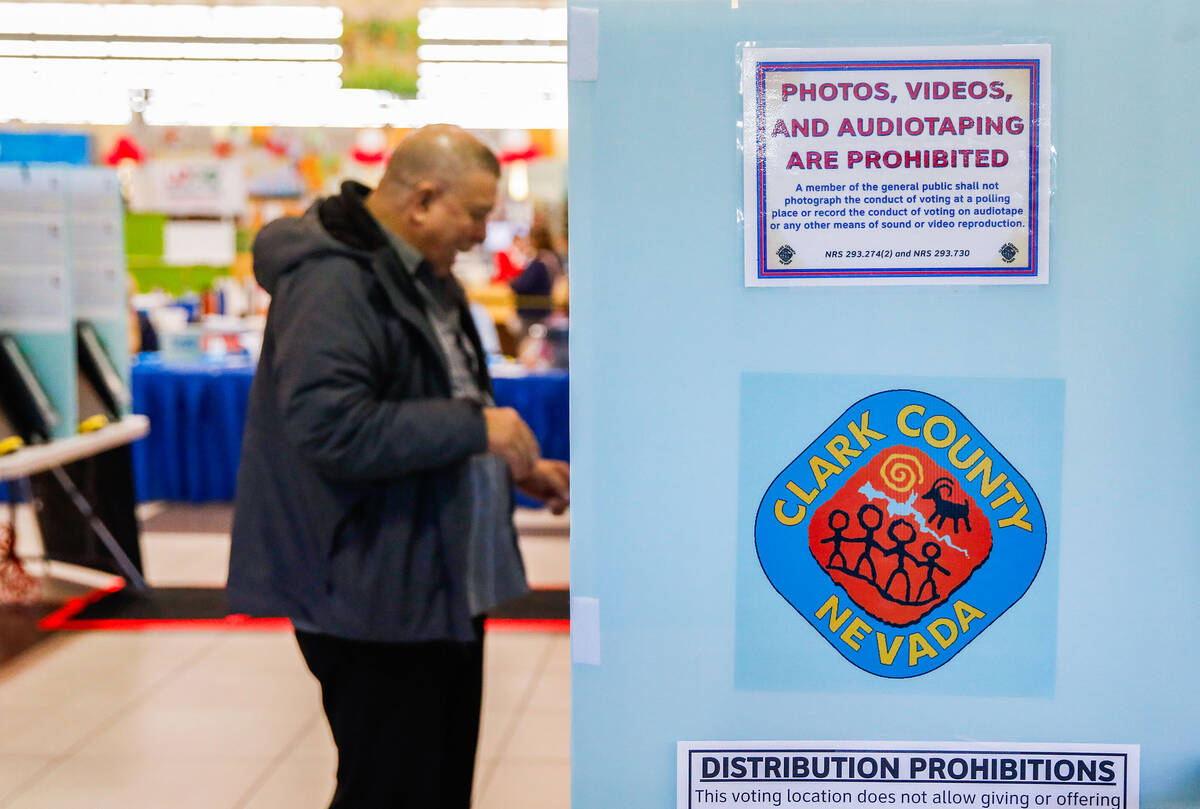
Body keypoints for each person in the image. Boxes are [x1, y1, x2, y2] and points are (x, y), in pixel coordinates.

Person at [227, 124, 569, 809]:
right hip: (369, 591)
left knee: (435, 784)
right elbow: (331, 427)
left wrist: (506, 461)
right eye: (473, 214)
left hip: (436, 582)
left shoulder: (423, 277)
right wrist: (476, 427)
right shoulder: (333, 280)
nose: (480, 234)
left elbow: (430, 401)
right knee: (389, 787)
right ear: (421, 200)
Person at [508, 221, 563, 328]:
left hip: (535, 310)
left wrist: (512, 283)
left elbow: (524, 284)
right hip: (545, 307)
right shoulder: (551, 257)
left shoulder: (541, 261)